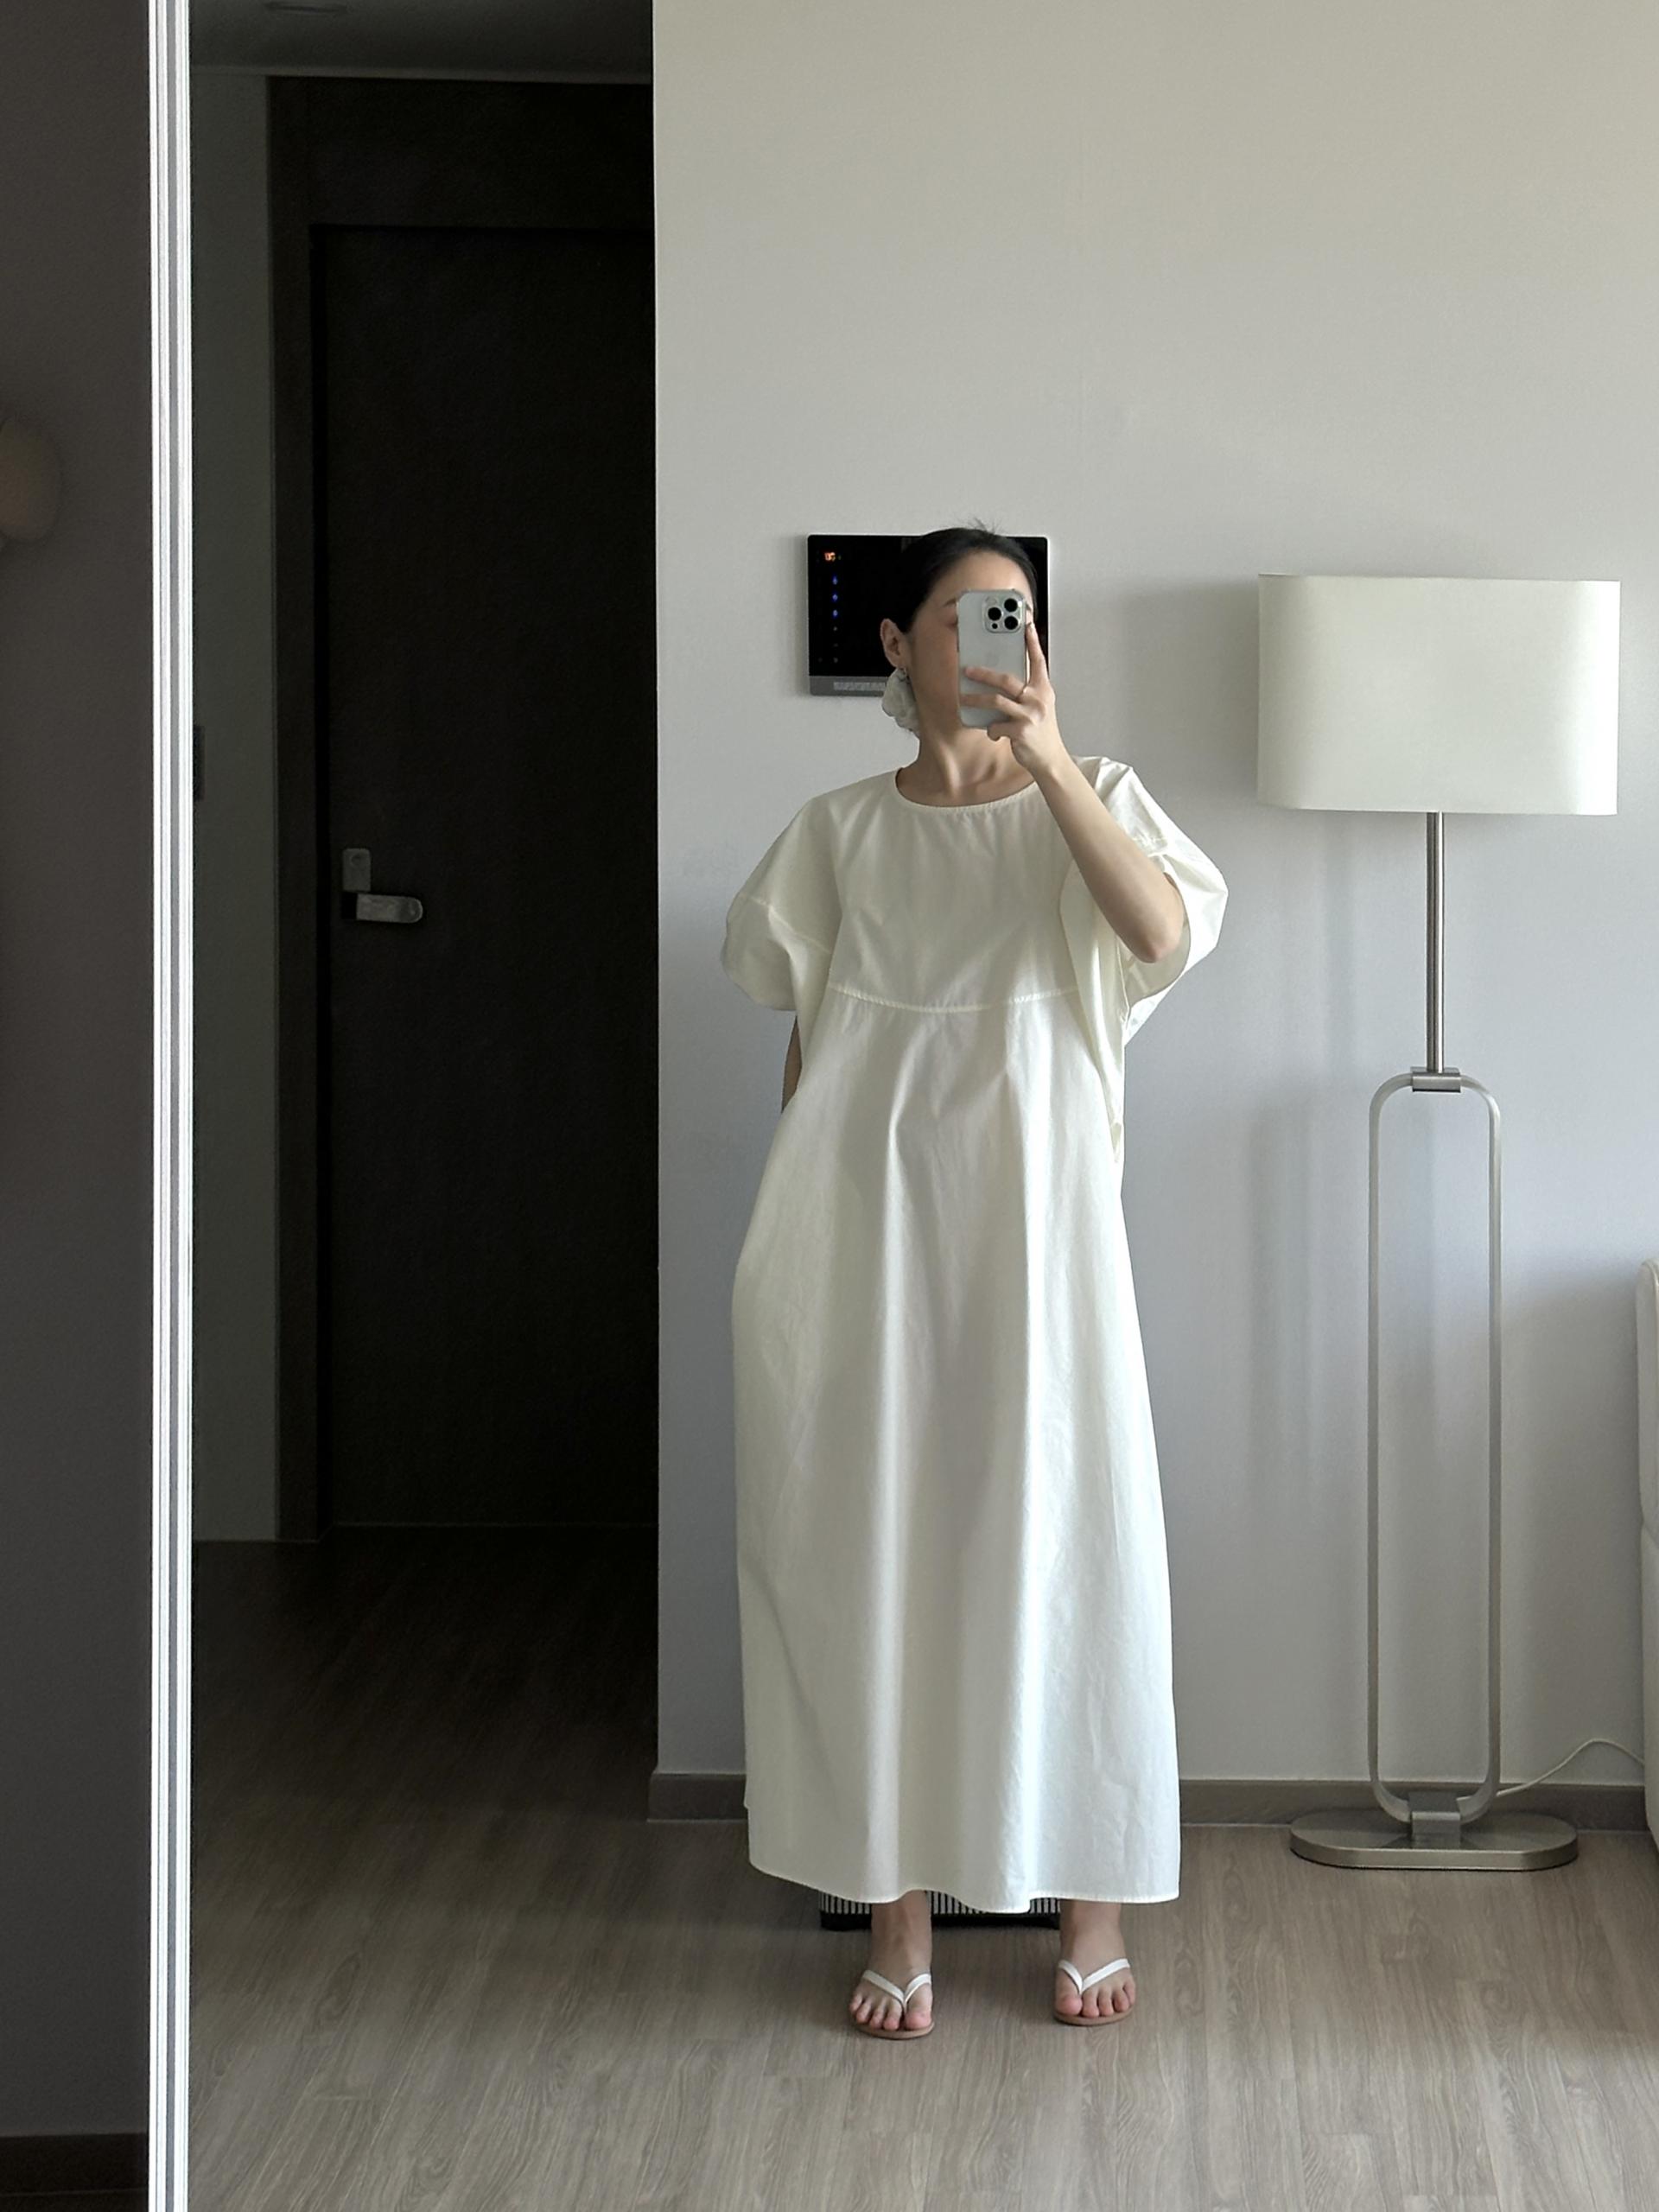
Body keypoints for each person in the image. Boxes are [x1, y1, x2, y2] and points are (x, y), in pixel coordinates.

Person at [720, 523, 1228, 2038]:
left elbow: (1159, 934)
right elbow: (809, 1053)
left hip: (1041, 1244)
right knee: (871, 1552)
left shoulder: (1097, 797)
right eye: (968, 613)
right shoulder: (837, 835)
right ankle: (898, 1912)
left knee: (1067, 1539)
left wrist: (1052, 761)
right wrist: (787, 1262)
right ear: (897, 644)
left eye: (1021, 613)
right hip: (862, 1242)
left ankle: (1092, 1899)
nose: (1004, 635)